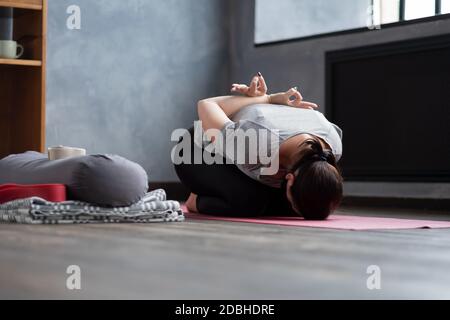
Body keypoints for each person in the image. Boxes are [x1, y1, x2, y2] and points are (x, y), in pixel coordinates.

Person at [174, 73, 343, 220]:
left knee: (304, 205)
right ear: (289, 179)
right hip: (199, 148)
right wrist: (268, 99)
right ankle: (197, 199)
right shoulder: (254, 142)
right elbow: (207, 105)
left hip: (253, 149)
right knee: (248, 203)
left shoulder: (332, 146)